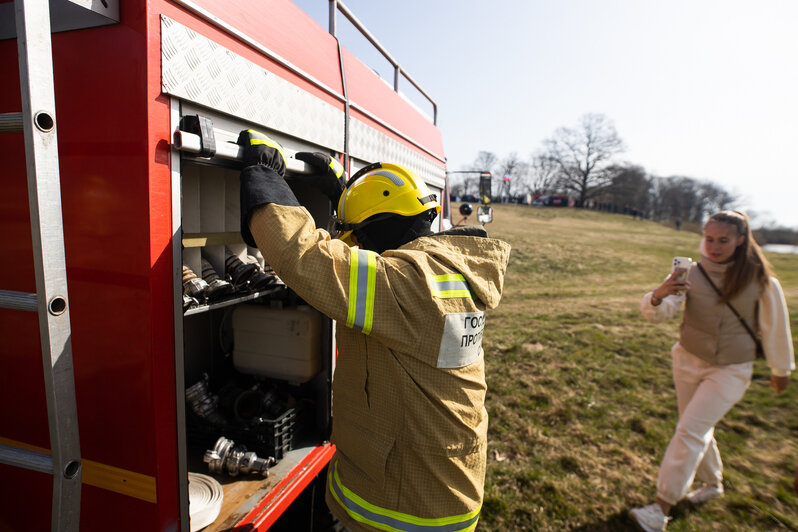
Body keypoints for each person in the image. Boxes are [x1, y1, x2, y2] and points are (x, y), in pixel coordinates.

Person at [236, 130, 511, 532]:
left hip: (403, 513)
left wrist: (264, 176)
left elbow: (306, 258)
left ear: (377, 232)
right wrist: (347, 195)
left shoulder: (408, 286)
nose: (354, 245)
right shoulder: (447, 270)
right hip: (440, 490)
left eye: (357, 237)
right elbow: (377, 246)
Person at [629, 210, 795, 532]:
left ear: (741, 241)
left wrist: (781, 368)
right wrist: (658, 295)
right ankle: (714, 485)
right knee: (694, 428)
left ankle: (660, 508)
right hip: (688, 361)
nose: (715, 247)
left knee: (690, 432)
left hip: (731, 370)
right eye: (709, 239)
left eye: (723, 240)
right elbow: (659, 315)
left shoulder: (762, 281)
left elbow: (775, 328)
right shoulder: (690, 272)